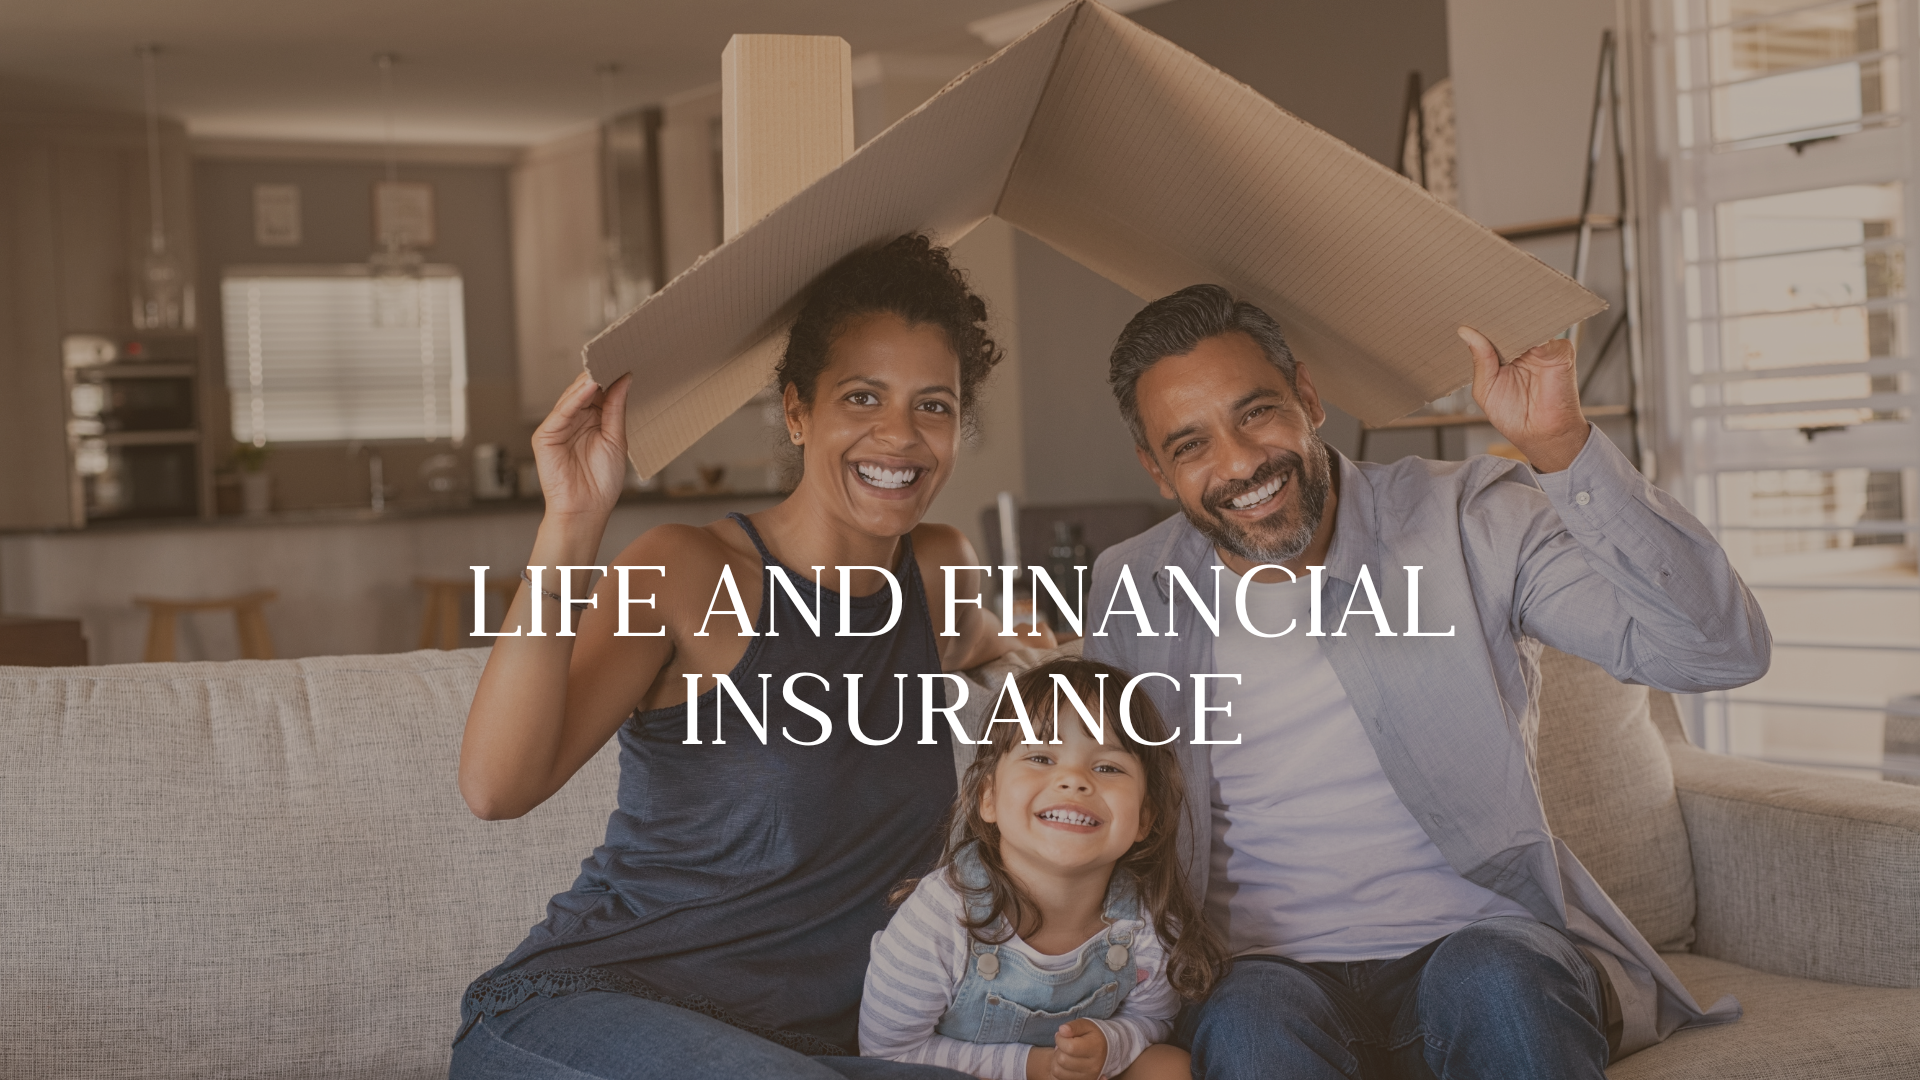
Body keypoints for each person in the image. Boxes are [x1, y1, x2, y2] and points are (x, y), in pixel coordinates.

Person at [1083, 284, 1770, 1079]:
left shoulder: (1467, 519)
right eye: (1191, 444)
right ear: (1158, 470)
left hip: (1484, 946)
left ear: (1307, 396)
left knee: (1496, 984)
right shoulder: (1133, 583)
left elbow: (1718, 654)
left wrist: (1562, 447)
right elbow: (1106, 794)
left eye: (1257, 412)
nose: (1240, 462)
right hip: (1261, 975)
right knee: (1246, 1027)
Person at [451, 234, 1038, 1080]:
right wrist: (571, 522)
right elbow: (496, 787)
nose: (899, 436)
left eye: (933, 406)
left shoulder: (940, 567)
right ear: (798, 411)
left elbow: (988, 646)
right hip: (593, 1011)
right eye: (863, 397)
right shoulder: (686, 569)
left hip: (816, 1049)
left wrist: (1040, 650)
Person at [860, 657, 1222, 1080]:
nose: (1073, 779)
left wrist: (1110, 1043)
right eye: (1041, 758)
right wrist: (1035, 1066)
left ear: (1144, 818)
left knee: (1169, 1068)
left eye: (1107, 767)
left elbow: (1154, 1022)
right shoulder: (942, 915)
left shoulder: (1143, 924)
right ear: (987, 797)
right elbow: (886, 1055)